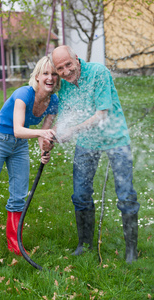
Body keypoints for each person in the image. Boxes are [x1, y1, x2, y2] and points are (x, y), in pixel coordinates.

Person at [0, 56, 60, 264]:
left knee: (18, 196)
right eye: (45, 73)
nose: (50, 77)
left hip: (19, 146)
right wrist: (41, 135)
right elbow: (18, 129)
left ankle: (13, 243)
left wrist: (45, 148)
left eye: (54, 74)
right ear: (37, 76)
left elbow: (44, 132)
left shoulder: (53, 101)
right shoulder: (23, 94)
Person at [50, 45, 140, 263]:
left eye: (68, 65)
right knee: (80, 194)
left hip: (115, 138)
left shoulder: (98, 72)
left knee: (125, 194)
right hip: (87, 141)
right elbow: (65, 118)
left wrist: (72, 130)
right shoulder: (65, 86)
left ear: (77, 59)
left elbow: (101, 115)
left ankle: (131, 251)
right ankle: (85, 244)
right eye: (60, 68)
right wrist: (53, 137)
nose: (66, 71)